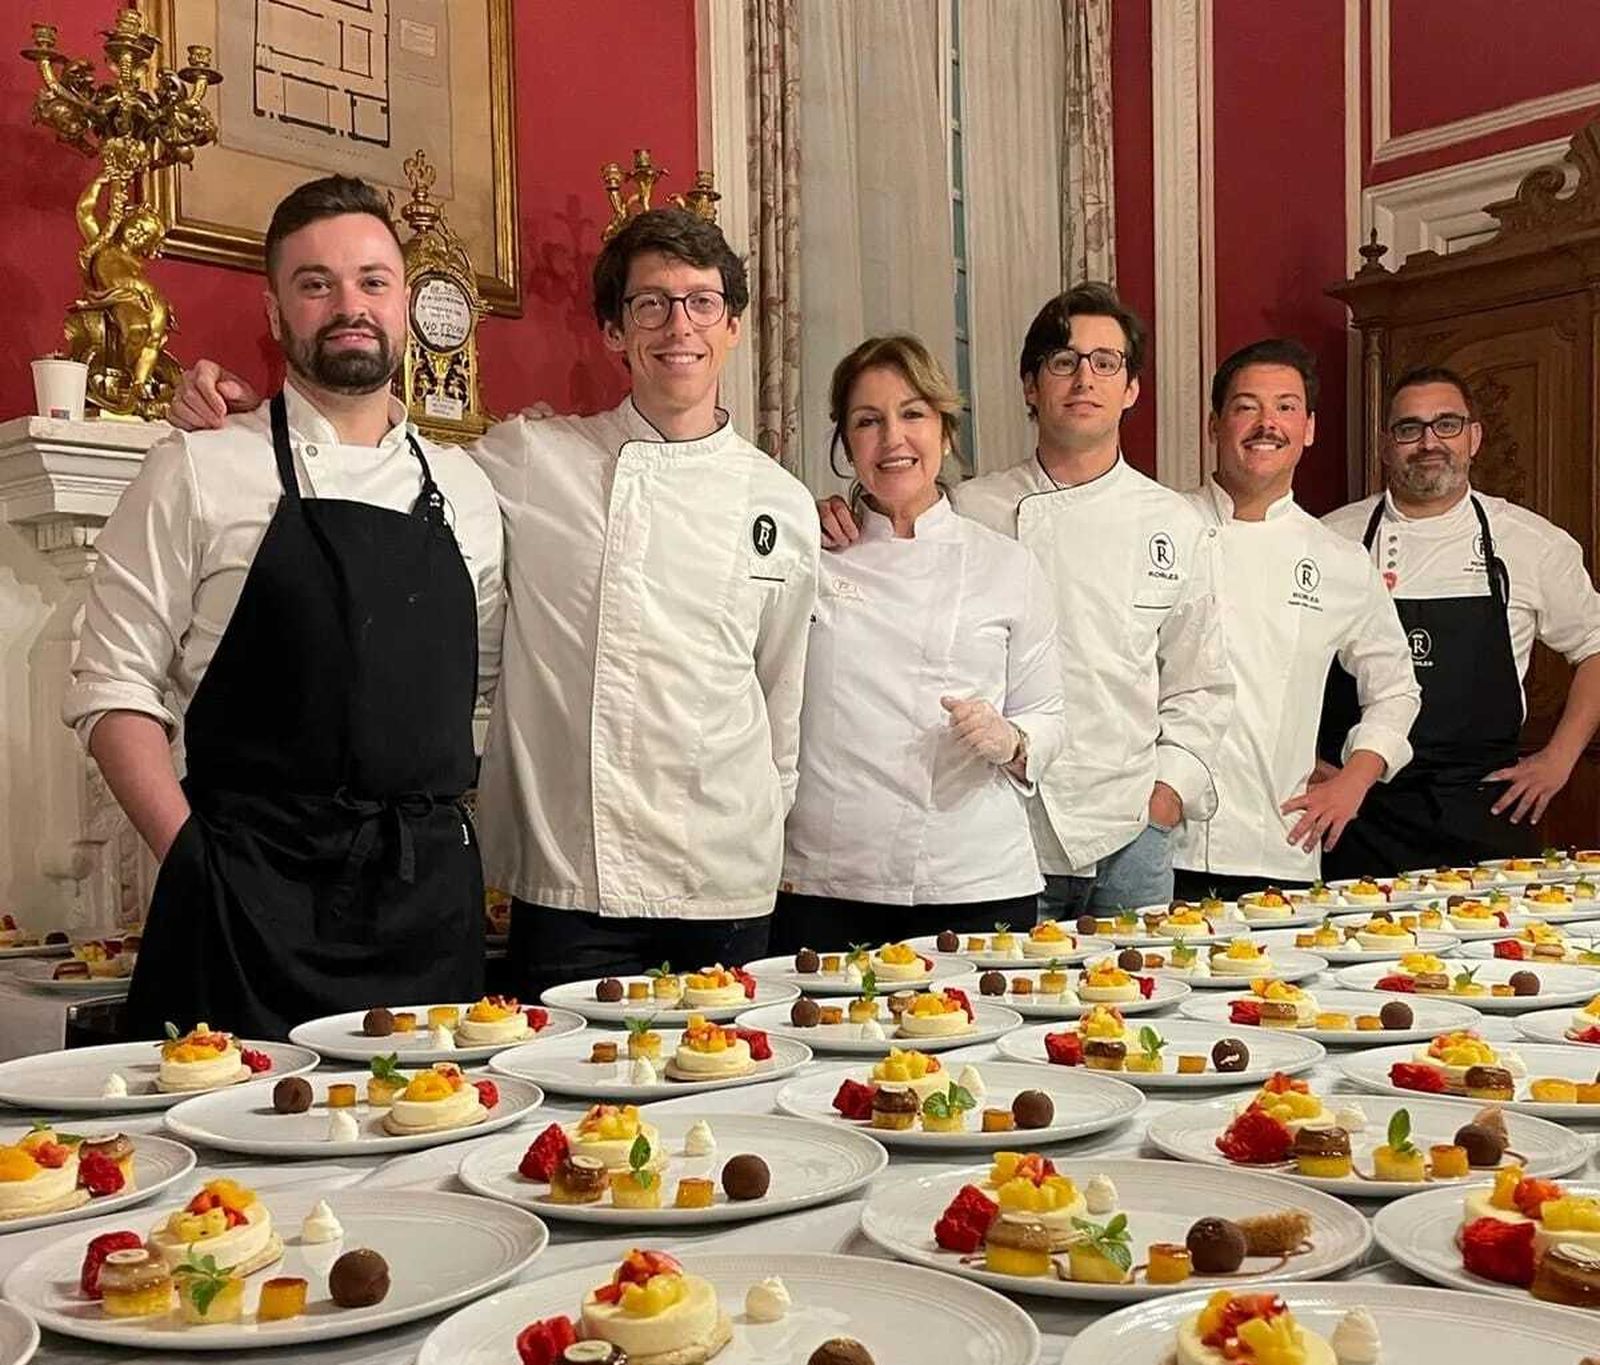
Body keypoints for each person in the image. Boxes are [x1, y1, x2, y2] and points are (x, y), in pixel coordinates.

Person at [171, 209, 819, 992]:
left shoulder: (783, 503)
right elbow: (373, 457)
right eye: (649, 304)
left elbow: (782, 700)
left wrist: (763, 835)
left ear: (734, 327)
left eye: (701, 302)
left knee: (725, 1097)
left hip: (729, 881)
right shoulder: (531, 458)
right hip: (573, 884)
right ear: (615, 332)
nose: (677, 325)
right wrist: (252, 420)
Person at [65, 175, 505, 1037]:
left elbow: (478, 691)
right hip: (245, 904)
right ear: (276, 312)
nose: (349, 305)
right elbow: (109, 687)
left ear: (405, 302)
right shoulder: (195, 467)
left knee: (431, 1157)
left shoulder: (469, 490)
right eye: (316, 283)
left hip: (427, 916)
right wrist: (193, 864)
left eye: (373, 281)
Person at [821, 282, 1233, 917]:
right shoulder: (974, 505)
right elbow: (897, 525)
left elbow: (1201, 684)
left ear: (1132, 388)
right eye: (1063, 362)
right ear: (1029, 386)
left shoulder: (1174, 523)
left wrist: (1164, 799)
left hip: (1128, 828)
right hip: (1007, 829)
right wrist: (836, 514)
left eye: (1106, 363)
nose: (1083, 380)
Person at [774, 335, 1064, 951]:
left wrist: (1012, 739)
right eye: (868, 421)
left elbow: (1050, 715)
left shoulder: (1008, 566)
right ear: (846, 444)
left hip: (976, 879)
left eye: (912, 414)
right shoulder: (811, 555)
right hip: (828, 882)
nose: (892, 439)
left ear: (946, 429)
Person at [1319, 365, 1600, 874]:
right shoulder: (1331, 538)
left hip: (1483, 808)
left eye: (1446, 424)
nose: (1429, 442)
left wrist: (1560, 758)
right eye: (1410, 428)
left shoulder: (1532, 543)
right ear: (1387, 444)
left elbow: (1595, 647)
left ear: (1474, 437)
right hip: (1356, 810)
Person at [1171, 340, 1419, 900]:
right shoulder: (1162, 527)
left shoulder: (1338, 558)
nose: (1266, 424)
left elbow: (1398, 688)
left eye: (1285, 407)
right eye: (1246, 406)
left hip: (1277, 841)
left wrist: (1355, 781)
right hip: (1155, 839)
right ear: (1214, 424)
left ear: (1308, 428)